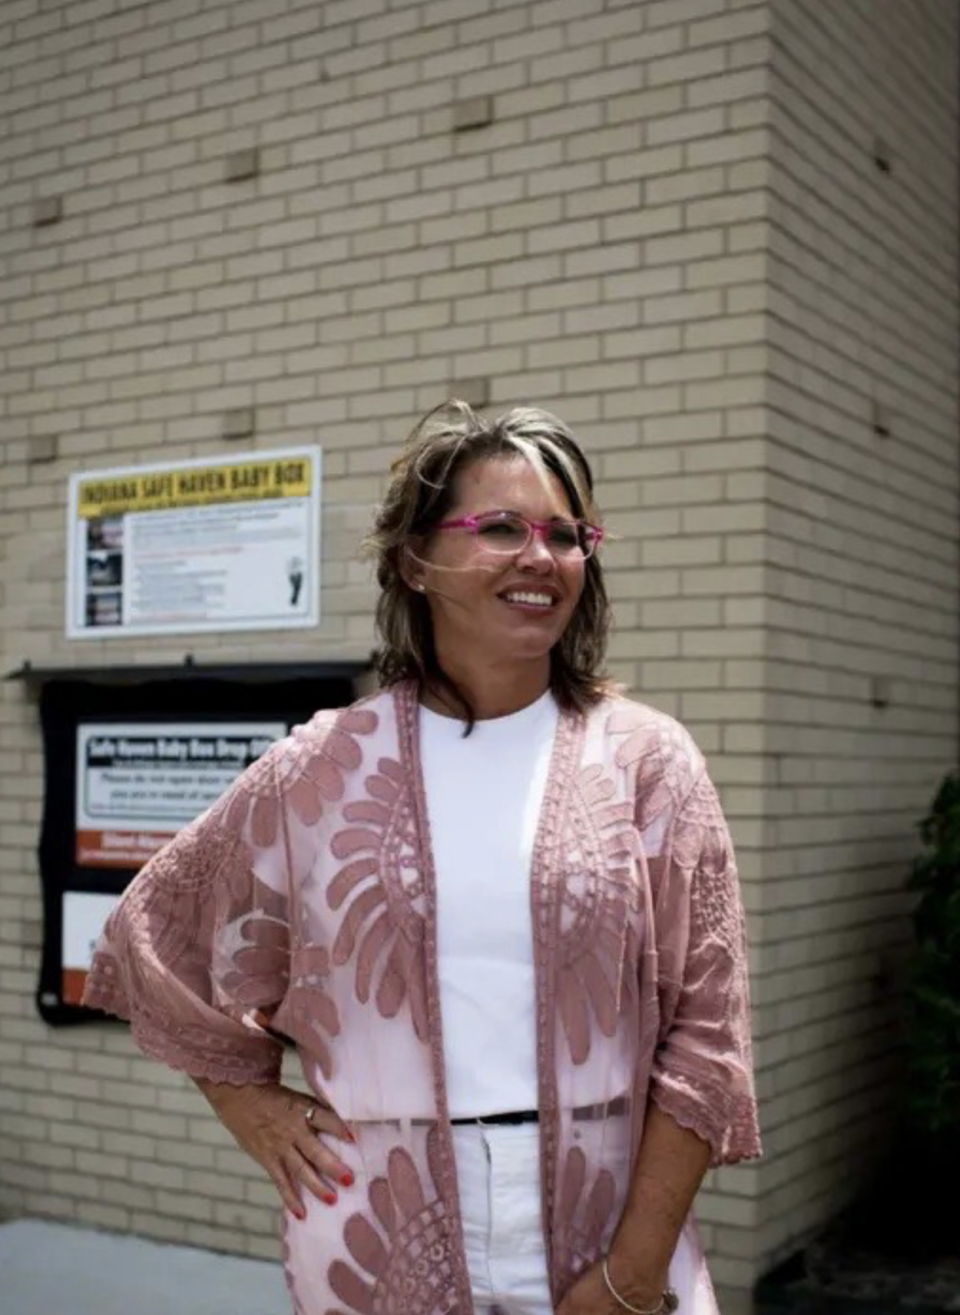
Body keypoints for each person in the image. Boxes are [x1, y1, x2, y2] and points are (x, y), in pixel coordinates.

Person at [83, 401, 760, 1315]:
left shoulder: (647, 763)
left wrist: (633, 1274)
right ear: (416, 559)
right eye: (502, 528)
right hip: (375, 1227)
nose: (539, 557)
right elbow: (153, 932)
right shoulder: (321, 769)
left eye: (566, 534)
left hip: (612, 1216)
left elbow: (707, 1034)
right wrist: (251, 1105)